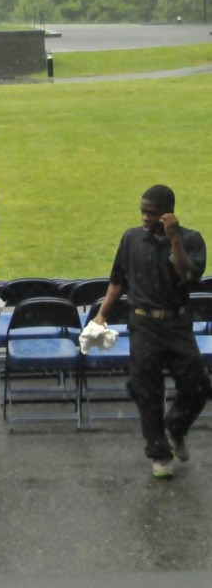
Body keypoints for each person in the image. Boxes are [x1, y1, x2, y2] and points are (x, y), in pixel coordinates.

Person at [92, 184, 210, 478]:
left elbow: (189, 276)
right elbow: (117, 281)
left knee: (198, 386)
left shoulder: (191, 240)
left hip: (177, 324)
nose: (145, 218)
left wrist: (174, 240)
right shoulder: (131, 239)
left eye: (152, 213)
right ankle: (158, 453)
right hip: (144, 324)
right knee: (147, 391)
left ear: (168, 215)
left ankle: (176, 426)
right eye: (142, 211)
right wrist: (101, 315)